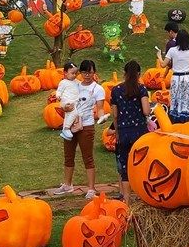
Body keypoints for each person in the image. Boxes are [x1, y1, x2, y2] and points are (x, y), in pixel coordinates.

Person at [53, 59, 107, 200]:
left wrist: (102, 117)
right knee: (68, 155)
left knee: (87, 157)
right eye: (84, 72)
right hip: (70, 124)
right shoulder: (75, 84)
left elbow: (100, 108)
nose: (87, 75)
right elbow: (64, 101)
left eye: (89, 72)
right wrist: (65, 107)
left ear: (94, 72)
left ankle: (91, 188)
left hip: (86, 125)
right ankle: (67, 184)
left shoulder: (98, 89)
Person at [110, 60, 150, 203]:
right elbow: (146, 111)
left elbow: (115, 114)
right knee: (141, 165)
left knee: (125, 166)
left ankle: (126, 200)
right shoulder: (141, 89)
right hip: (140, 132)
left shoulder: (116, 90)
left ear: (124, 73)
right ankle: (142, 197)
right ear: (139, 74)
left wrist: (117, 131)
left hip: (124, 132)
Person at [161, 29, 189, 123]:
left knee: (175, 97)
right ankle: (187, 117)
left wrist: (159, 56)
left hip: (176, 78)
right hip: (187, 77)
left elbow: (163, 64)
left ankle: (175, 118)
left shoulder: (172, 50)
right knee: (187, 98)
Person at [56, 62, 81, 141]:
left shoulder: (77, 81)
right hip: (66, 101)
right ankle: (66, 128)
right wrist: (58, 96)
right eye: (72, 73)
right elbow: (59, 91)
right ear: (65, 73)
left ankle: (66, 131)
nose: (74, 75)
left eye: (76, 73)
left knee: (70, 114)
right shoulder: (63, 82)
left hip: (74, 101)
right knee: (74, 112)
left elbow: (82, 86)